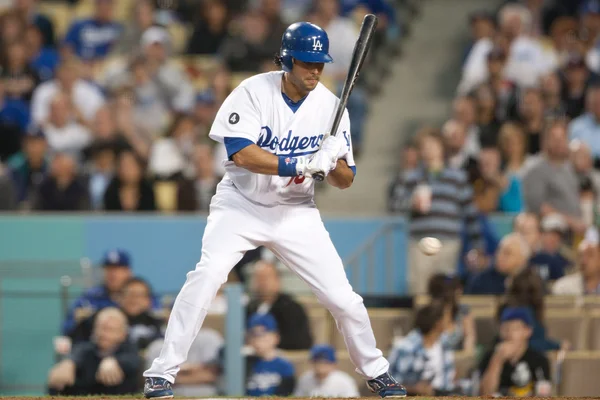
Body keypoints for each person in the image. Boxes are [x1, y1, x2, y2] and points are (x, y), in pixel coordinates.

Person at [142, 22, 407, 399]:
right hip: (241, 204)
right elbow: (241, 152)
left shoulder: (332, 107)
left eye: (320, 63)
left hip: (295, 211)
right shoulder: (252, 92)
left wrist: (331, 160)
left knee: (342, 298)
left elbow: (345, 179)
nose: (315, 70)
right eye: (306, 63)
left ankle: (378, 373)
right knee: (208, 275)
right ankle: (162, 374)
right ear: (286, 61)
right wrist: (298, 164)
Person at [47, 307, 142, 395]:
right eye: (100, 328)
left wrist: (116, 361)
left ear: (123, 334)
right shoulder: (84, 350)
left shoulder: (130, 351)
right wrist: (67, 364)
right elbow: (76, 355)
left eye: (110, 329)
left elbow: (134, 361)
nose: (103, 334)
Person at [478, 307, 551, 397]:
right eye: (505, 328)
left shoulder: (539, 360)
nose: (509, 333)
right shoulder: (489, 357)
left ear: (528, 331)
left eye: (515, 328)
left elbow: (543, 395)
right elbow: (485, 394)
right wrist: (497, 359)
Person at [388, 302, 457, 396]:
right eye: (448, 319)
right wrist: (414, 389)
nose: (451, 322)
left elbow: (449, 380)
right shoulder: (405, 347)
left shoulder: (445, 345)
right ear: (438, 323)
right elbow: (389, 385)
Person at [246, 260, 312, 350]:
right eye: (258, 278)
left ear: (277, 280)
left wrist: (268, 343)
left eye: (266, 277)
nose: (262, 282)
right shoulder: (248, 308)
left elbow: (301, 341)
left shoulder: (291, 308)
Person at [244, 313, 295, 396]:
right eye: (253, 335)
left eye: (262, 335)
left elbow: (286, 393)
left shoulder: (284, 365)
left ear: (276, 337)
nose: (257, 340)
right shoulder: (246, 362)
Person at [294, 344, 360, 398]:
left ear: (333, 364)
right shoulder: (305, 379)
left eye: (325, 362)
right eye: (317, 362)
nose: (320, 365)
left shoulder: (344, 381)